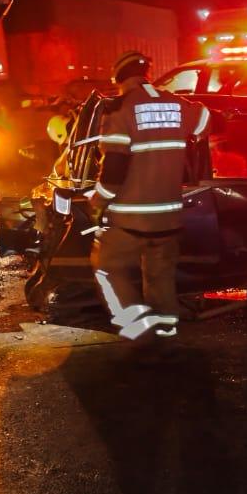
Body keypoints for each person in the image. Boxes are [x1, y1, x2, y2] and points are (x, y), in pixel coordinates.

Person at [89, 51, 209, 339]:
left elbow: (114, 169)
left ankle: (137, 328)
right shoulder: (176, 103)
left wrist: (98, 200)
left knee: (106, 267)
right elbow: (206, 121)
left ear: (119, 79)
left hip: (131, 219)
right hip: (169, 218)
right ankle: (165, 333)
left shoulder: (120, 110)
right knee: (160, 278)